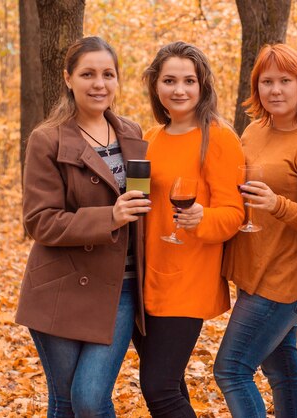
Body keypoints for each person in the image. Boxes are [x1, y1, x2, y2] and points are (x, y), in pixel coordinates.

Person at [15, 36, 151, 417]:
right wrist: (111, 216)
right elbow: (40, 221)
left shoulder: (132, 132)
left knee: (89, 399)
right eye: (88, 74)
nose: (99, 84)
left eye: (108, 74)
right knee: (63, 402)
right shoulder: (47, 139)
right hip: (60, 286)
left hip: (119, 289)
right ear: (68, 78)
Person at [214, 44, 297, 417]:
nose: (275, 90)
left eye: (285, 81)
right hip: (253, 271)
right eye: (266, 81)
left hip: (284, 281)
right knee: (282, 372)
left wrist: (277, 205)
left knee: (231, 369)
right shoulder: (253, 131)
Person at [132, 41, 244, 417]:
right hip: (144, 278)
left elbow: (234, 214)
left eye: (188, 81)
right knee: (171, 384)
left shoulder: (219, 138)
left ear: (202, 85)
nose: (179, 90)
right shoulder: (148, 139)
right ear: (155, 86)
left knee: (158, 388)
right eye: (169, 80)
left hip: (188, 277)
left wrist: (203, 218)